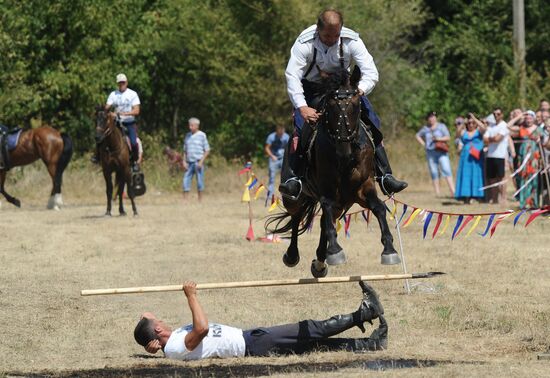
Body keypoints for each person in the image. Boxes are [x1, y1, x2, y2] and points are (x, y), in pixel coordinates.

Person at [279, 9, 407, 199]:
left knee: (372, 120)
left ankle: (385, 174)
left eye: (336, 35)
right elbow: (292, 76)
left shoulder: (351, 40)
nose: (332, 39)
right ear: (318, 30)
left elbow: (371, 72)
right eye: (327, 36)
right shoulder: (304, 42)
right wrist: (302, 106)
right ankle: (294, 178)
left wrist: (359, 90)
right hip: (312, 90)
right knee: (300, 127)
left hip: (345, 89)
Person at [134, 281, 387, 360]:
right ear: (158, 329)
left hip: (251, 339)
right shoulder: (176, 347)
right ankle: (365, 313)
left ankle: (371, 345)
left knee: (313, 344)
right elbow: (202, 328)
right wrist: (192, 296)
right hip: (253, 345)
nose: (163, 320)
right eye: (160, 320)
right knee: (309, 329)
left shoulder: (172, 342)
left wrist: (150, 346)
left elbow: (147, 318)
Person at [93, 73, 142, 171]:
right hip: (116, 122)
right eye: (120, 83)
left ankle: (134, 161)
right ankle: (98, 156)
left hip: (129, 122)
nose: (121, 85)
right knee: (101, 135)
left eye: (123, 82)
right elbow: (107, 107)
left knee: (133, 142)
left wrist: (123, 114)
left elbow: (137, 111)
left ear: (126, 83)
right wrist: (103, 110)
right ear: (117, 84)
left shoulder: (132, 94)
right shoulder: (113, 94)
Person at [415, 111, 455, 197]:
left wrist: (438, 139)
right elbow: (417, 135)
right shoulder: (425, 128)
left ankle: (453, 191)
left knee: (446, 170)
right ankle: (437, 193)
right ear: (427, 119)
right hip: (430, 152)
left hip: (441, 152)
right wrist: (424, 144)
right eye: (430, 117)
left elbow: (448, 137)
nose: (432, 118)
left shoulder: (441, 126)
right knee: (434, 172)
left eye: (433, 116)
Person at [508, 110, 542, 208]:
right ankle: (523, 203)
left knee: (533, 180)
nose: (528, 120)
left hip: (534, 159)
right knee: (523, 178)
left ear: (534, 118)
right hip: (523, 158)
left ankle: (533, 203)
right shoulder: (521, 128)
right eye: (526, 118)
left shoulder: (538, 129)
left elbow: (545, 141)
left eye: (530, 118)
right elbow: (508, 126)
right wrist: (519, 116)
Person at [454, 113, 487, 203]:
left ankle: (476, 196)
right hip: (466, 157)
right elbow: (457, 134)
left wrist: (474, 118)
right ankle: (465, 196)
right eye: (469, 123)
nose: (471, 125)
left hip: (476, 157)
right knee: (466, 175)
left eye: (473, 123)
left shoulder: (478, 131)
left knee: (476, 175)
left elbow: (484, 128)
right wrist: (462, 124)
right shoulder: (464, 132)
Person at [483, 107, 512, 205]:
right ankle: (494, 199)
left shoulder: (504, 126)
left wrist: (491, 139)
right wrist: (493, 139)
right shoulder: (491, 126)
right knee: (492, 178)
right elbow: (485, 139)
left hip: (500, 155)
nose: (496, 116)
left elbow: (498, 139)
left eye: (498, 114)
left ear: (502, 115)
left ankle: (503, 198)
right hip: (490, 155)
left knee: (501, 178)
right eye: (494, 114)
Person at [183, 117, 210, 201]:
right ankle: (185, 200)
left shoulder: (202, 135)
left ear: (197, 126)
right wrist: (184, 161)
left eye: (192, 125)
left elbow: (207, 150)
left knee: (200, 182)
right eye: (189, 125)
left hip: (198, 162)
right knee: (185, 180)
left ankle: (200, 200)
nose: (190, 127)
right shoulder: (187, 136)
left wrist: (201, 161)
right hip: (189, 163)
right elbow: (185, 150)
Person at [265, 125, 290, 203]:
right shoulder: (271, 137)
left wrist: (287, 157)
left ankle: (285, 195)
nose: (281, 135)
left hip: (283, 159)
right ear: (277, 132)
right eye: (279, 133)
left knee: (285, 178)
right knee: (272, 178)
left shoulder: (286, 136)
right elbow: (267, 148)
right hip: (274, 159)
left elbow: (288, 147)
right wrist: (272, 156)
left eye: (282, 133)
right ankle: (270, 196)